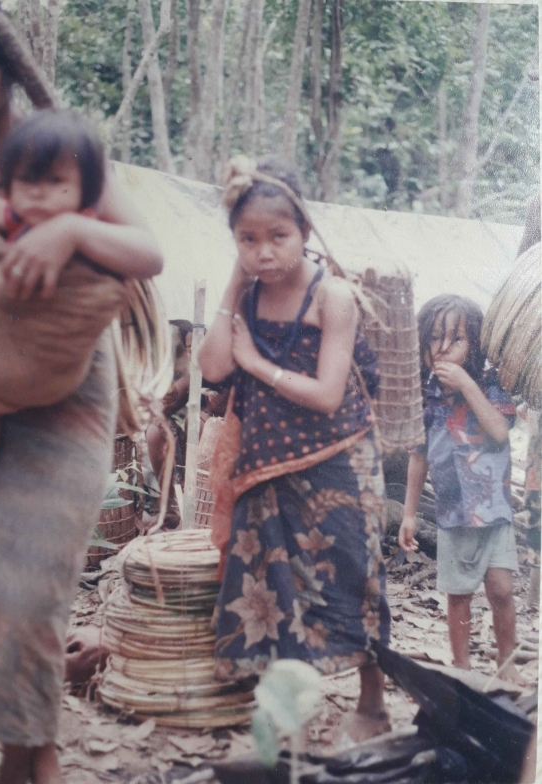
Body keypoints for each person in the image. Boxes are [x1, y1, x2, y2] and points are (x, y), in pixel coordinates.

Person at [0, 7, 163, 783]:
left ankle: (30, 755)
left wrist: (69, 233)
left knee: (29, 585)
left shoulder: (48, 148)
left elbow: (147, 250)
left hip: (66, 390)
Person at [199, 157, 390, 742]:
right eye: (247, 239)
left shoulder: (333, 296)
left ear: (304, 230)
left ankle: (373, 704)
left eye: (277, 236)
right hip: (266, 464)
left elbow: (329, 395)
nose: (263, 252)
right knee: (269, 584)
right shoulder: (248, 297)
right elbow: (211, 366)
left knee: (355, 579)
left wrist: (256, 363)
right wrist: (233, 284)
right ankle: (278, 709)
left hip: (339, 459)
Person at [0, 109, 141, 466]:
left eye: (57, 182)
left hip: (47, 367)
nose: (40, 193)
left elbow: (148, 260)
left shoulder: (91, 226)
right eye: (28, 181)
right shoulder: (13, 216)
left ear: (87, 191)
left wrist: (73, 231)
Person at [399, 295, 525, 685]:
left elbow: (500, 430)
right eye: (435, 337)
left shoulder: (490, 385)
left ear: (475, 346)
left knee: (502, 590)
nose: (443, 348)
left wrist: (468, 384)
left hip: (494, 510)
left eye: (457, 339)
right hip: (453, 515)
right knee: (459, 596)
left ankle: (508, 666)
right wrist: (407, 513)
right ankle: (462, 669)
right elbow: (418, 458)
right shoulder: (424, 400)